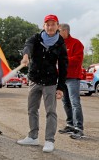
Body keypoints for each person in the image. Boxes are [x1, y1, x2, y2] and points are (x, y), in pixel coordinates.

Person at [17, 14, 68, 153]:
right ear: (43, 26)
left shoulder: (60, 44)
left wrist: (60, 87)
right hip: (34, 80)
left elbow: (63, 67)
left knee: (51, 111)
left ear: (57, 26)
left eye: (53, 24)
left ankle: (49, 140)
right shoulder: (36, 38)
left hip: (50, 82)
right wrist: (26, 55)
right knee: (32, 109)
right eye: (48, 24)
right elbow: (28, 46)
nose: (50, 27)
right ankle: (33, 137)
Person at [58, 23, 85, 139]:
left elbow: (78, 59)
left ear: (65, 31)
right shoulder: (58, 44)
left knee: (75, 103)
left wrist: (63, 60)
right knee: (66, 102)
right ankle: (70, 124)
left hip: (73, 77)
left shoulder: (76, 43)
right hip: (62, 78)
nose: (57, 33)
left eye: (58, 31)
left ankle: (78, 128)